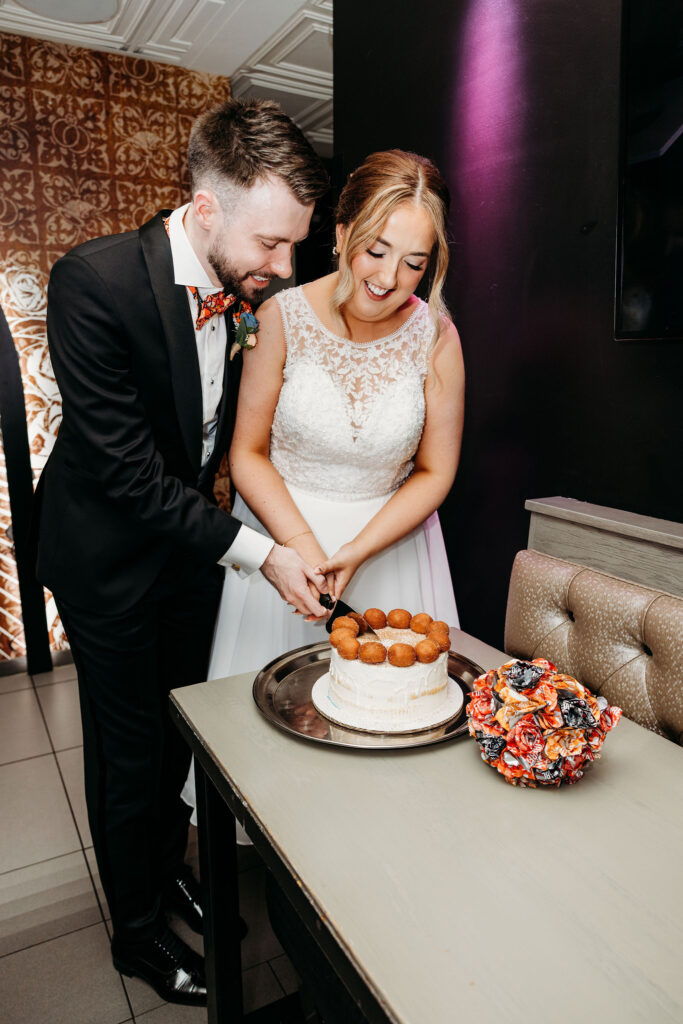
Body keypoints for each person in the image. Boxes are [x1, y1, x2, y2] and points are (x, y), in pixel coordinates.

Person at [32, 98, 329, 1007]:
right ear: (206, 212)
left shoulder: (243, 293)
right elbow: (127, 476)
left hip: (186, 557)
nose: (284, 272)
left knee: (176, 737)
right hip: (108, 560)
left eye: (294, 248)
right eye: (273, 246)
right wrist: (262, 552)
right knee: (127, 754)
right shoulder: (94, 281)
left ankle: (167, 875)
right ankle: (133, 934)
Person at [201, 148, 463, 685]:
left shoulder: (437, 337)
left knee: (390, 710)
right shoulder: (278, 317)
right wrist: (302, 549)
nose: (390, 278)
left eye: (414, 263)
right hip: (285, 545)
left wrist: (358, 551)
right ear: (341, 234)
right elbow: (246, 452)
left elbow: (436, 471)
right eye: (376, 250)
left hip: (392, 551)